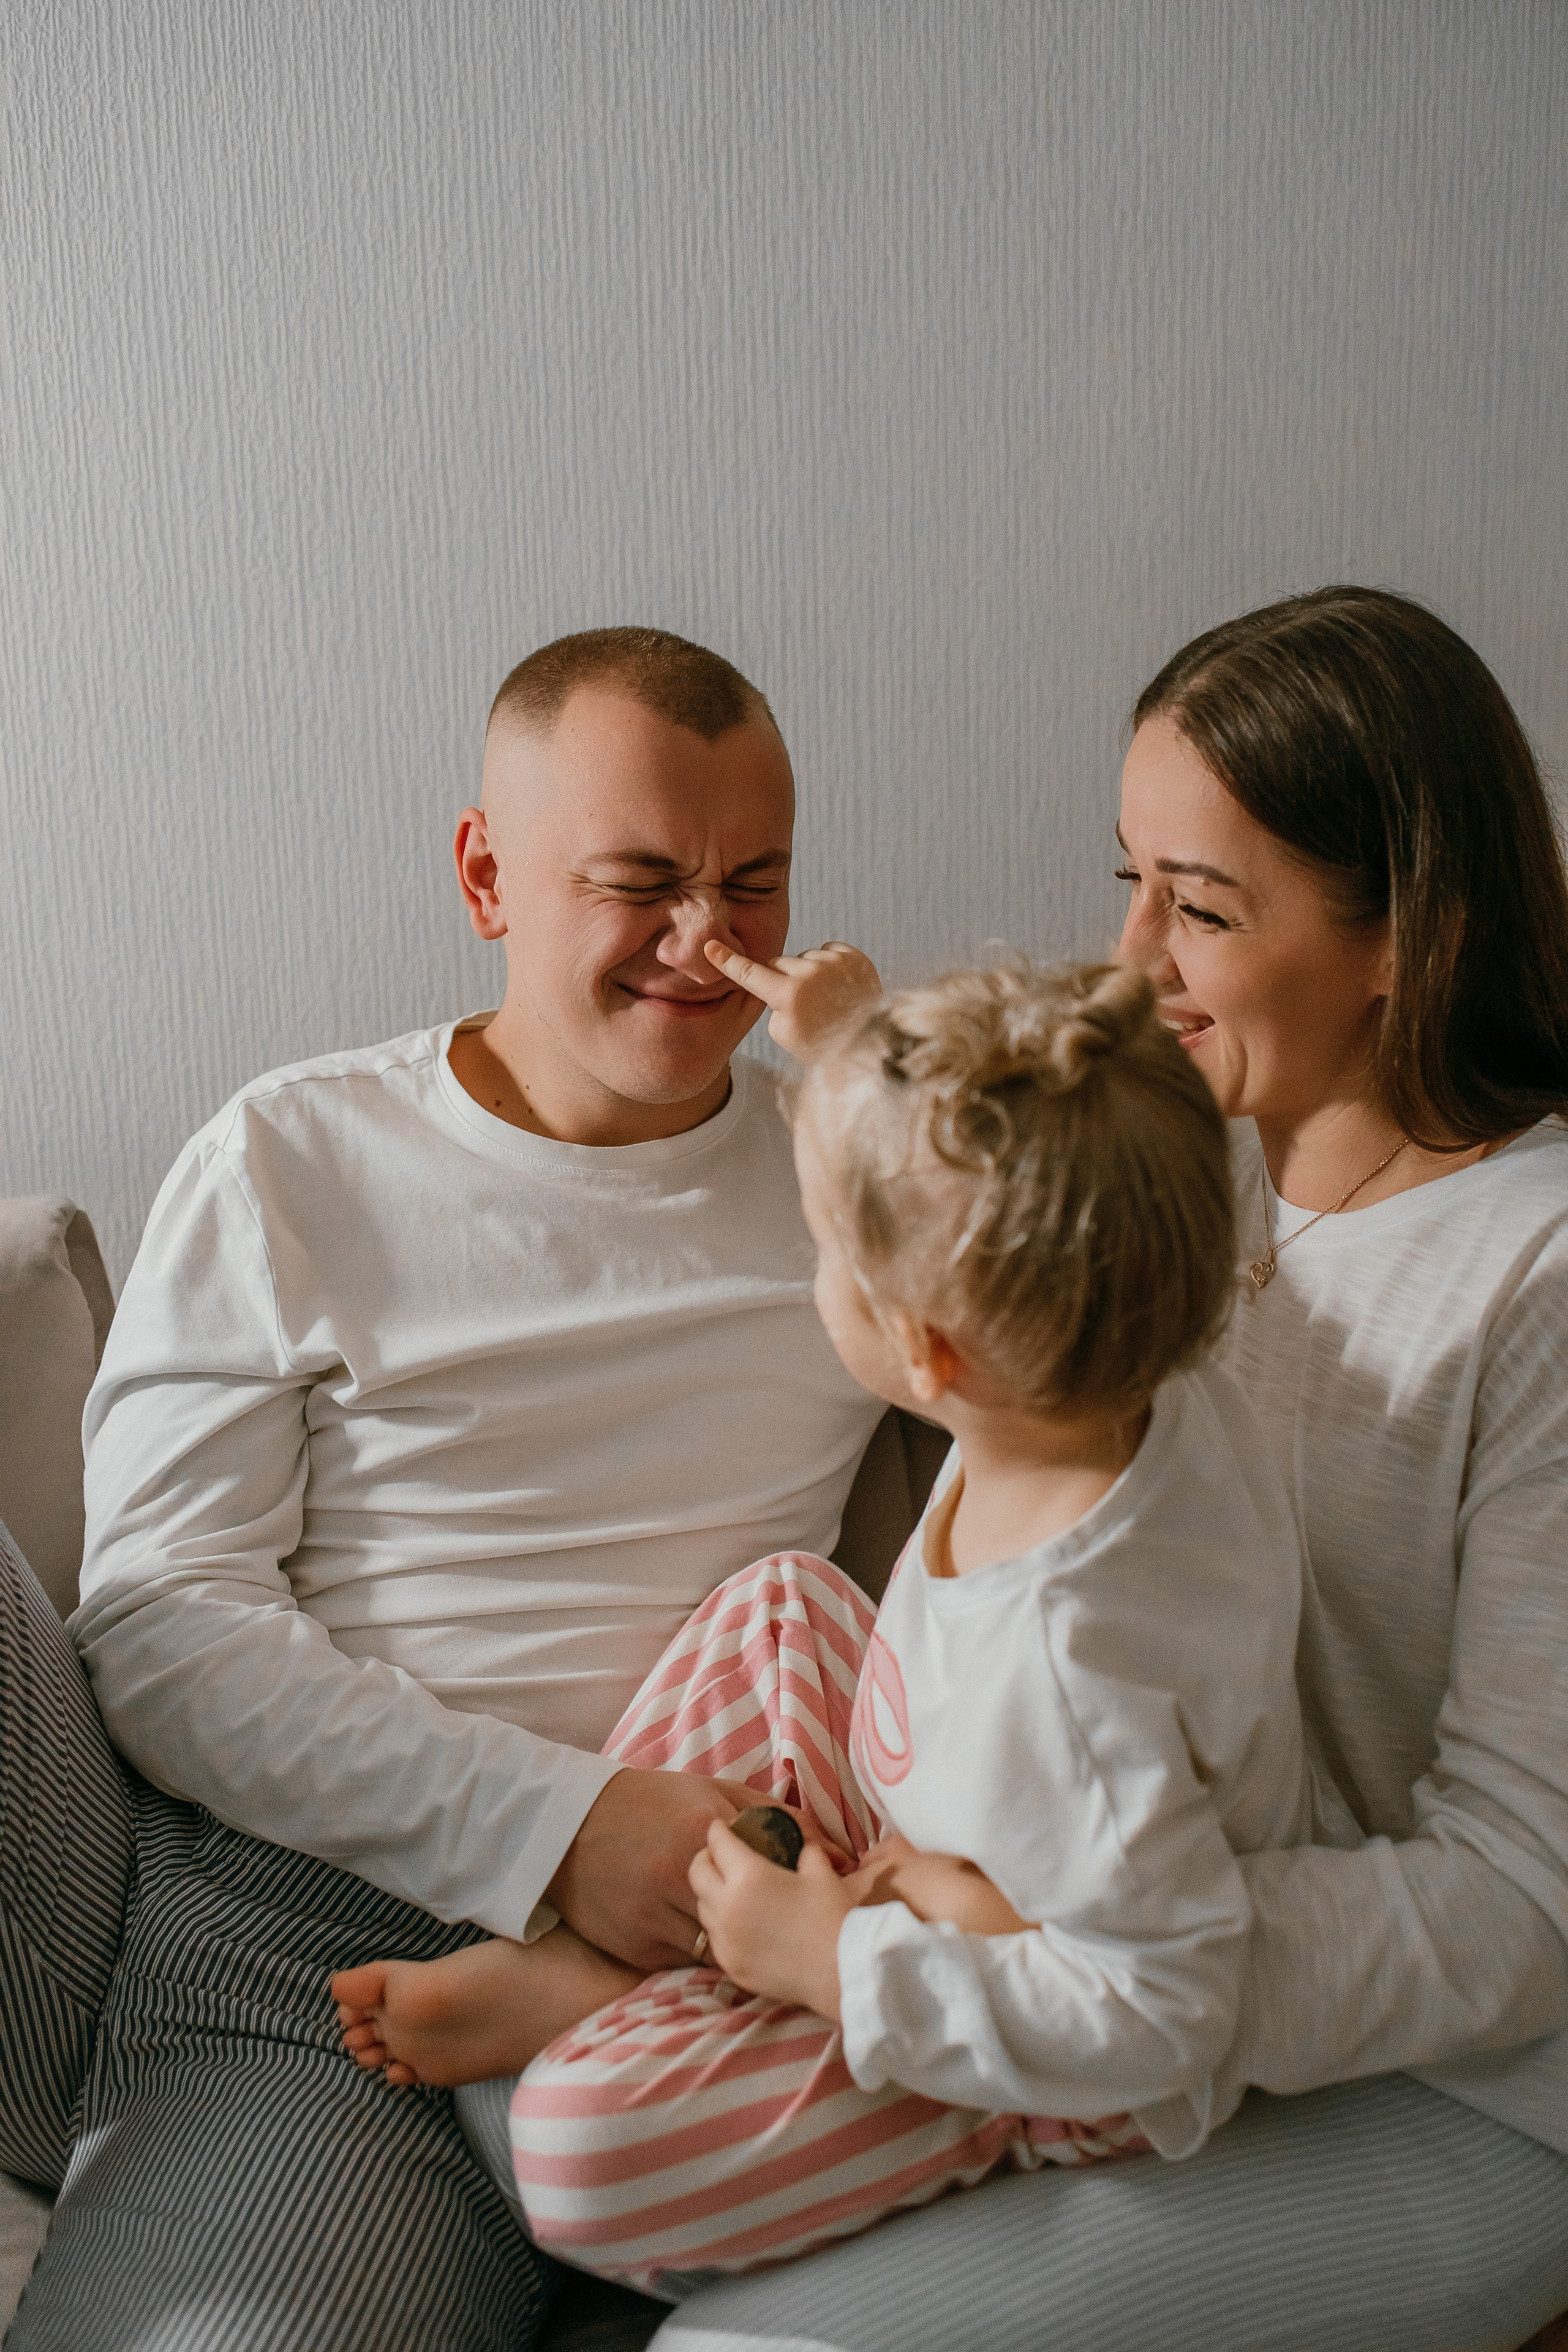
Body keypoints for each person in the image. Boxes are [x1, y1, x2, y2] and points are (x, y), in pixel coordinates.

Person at [643, 586, 1568, 2352]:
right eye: (1127, 878)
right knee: (597, 2174)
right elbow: (927, 1212)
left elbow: (1523, 1911)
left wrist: (1015, 1953)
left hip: (1451, 2085)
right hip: (1101, 1967)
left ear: (1405, 936)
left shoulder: (1537, 1281)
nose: (1135, 961)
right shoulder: (1183, 1167)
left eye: (1204, 908)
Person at [0, 626, 886, 2351]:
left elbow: (1098, 1325)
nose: (706, 945)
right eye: (641, 884)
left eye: (754, 886)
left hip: (717, 1943)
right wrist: (554, 1828)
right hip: (314, 1957)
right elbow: (170, 1625)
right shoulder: (292, 1157)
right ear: (487, 875)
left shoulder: (846, 1177)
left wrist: (892, 1089)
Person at [332, 956, 1316, 2293]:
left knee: (577, 2150)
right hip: (934, 1835)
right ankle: (661, 1957)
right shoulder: (1116, 1350)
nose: (810, 1272)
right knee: (777, 1602)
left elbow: (1166, 2013)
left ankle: (672, 1983)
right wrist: (846, 1045)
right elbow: (1027, 1161)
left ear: (928, 1354)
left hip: (1042, 2057)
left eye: (827, 1256)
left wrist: (842, 1962)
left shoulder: (1077, 1673)